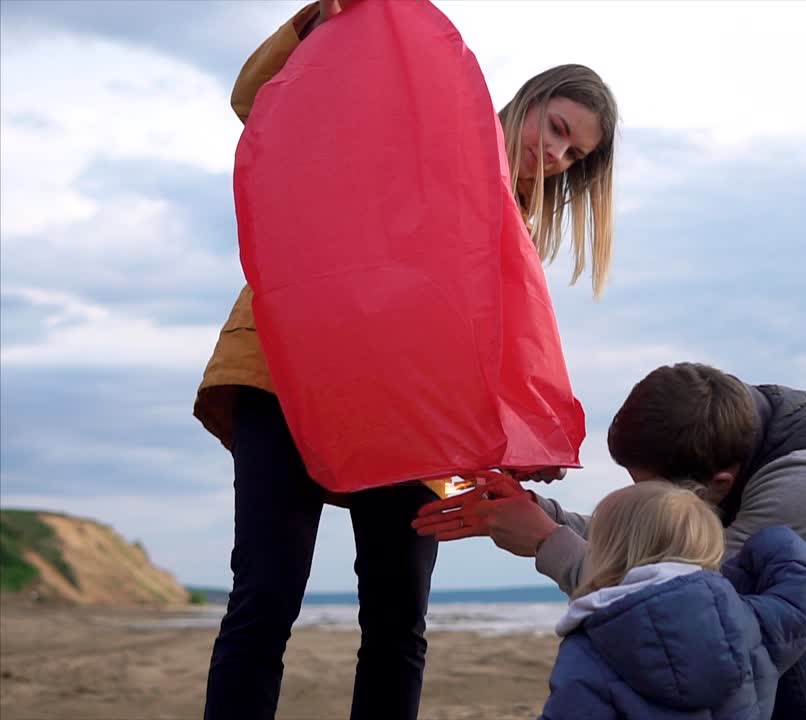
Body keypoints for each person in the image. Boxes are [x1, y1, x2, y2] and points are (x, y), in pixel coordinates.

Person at [198, 2, 619, 719]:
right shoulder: (412, 115)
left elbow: (497, 355)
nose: (556, 156)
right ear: (527, 102)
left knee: (397, 619)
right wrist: (322, 25)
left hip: (415, 427)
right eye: (556, 129)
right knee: (265, 597)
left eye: (574, 156)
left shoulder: (512, 234)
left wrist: (521, 438)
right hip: (289, 375)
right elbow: (256, 103)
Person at [416, 362, 806, 718]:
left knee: (749, 609)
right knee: (748, 606)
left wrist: (549, 546)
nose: (644, 500)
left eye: (652, 488)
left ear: (718, 482)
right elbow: (659, 555)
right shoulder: (731, 426)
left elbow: (686, 609)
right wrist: (538, 515)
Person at [539, 481, 806, 720]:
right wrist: (772, 539)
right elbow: (800, 599)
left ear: (604, 555)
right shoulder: (745, 618)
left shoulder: (592, 644)